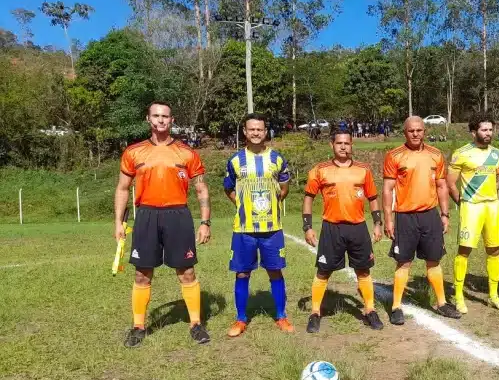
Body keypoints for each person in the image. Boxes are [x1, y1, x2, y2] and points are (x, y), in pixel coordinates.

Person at [114, 102, 211, 348]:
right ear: (148, 119)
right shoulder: (134, 152)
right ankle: (138, 326)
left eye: (165, 116)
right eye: (156, 115)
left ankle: (196, 324)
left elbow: (201, 188)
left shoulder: (186, 153)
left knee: (186, 272)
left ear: (172, 120)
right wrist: (118, 222)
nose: (160, 120)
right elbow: (123, 188)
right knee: (142, 273)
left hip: (178, 215)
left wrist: (205, 222)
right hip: (146, 215)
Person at [302, 129, 384, 333]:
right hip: (332, 228)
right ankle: (315, 313)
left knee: (363, 270)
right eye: (339, 143)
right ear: (332, 145)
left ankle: (370, 310)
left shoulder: (363, 170)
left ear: (351, 145)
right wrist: (307, 227)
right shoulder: (320, 170)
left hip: (358, 228)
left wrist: (377, 223)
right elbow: (308, 198)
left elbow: (373, 198)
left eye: (347, 143)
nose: (343, 147)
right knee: (323, 271)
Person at [383, 116, 462, 324]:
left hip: (430, 215)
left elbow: (442, 186)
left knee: (434, 260)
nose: (415, 134)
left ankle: (442, 303)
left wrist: (444, 214)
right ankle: (396, 306)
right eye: (411, 131)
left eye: (419, 130)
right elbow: (388, 189)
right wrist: (388, 219)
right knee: (404, 262)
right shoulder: (394, 156)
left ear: (424, 132)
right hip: (405, 217)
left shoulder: (435, 155)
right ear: (405, 132)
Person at [223, 113, 294, 336]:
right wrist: (241, 204)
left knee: (275, 271)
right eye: (251, 129)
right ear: (245, 132)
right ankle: (241, 319)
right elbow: (228, 188)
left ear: (265, 132)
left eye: (259, 129)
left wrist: (272, 204)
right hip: (244, 229)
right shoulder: (235, 161)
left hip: (272, 229)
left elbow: (284, 188)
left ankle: (281, 316)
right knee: (242, 274)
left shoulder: (277, 159)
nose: (256, 133)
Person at [446, 114, 499, 313]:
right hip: (471, 207)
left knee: (494, 250)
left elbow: (498, 178)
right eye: (484, 130)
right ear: (474, 132)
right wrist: (462, 202)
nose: (489, 133)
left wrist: (492, 195)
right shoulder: (461, 154)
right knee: (464, 250)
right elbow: (450, 183)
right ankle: (459, 296)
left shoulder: (497, 153)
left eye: (490, 129)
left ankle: (494, 295)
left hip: (492, 207)